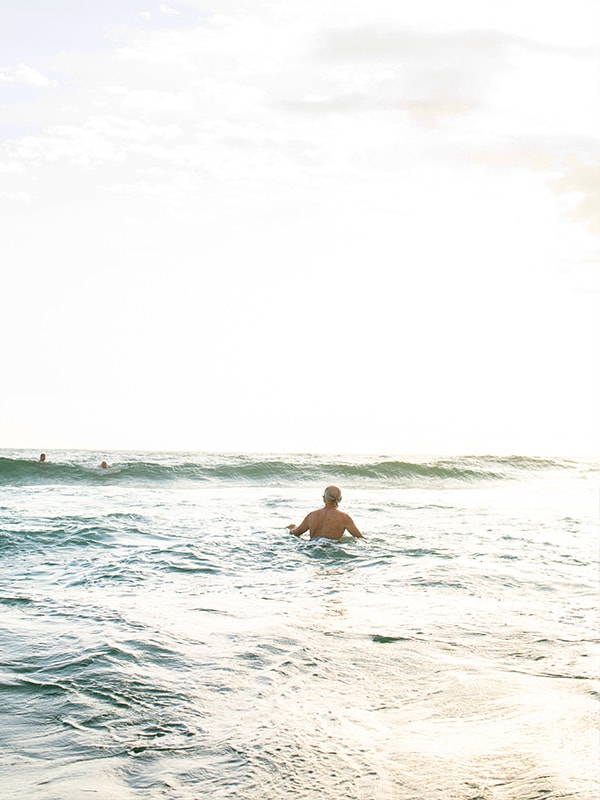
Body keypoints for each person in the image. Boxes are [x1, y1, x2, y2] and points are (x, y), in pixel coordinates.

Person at [287, 486, 364, 540]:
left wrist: (292, 528)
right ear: (340, 499)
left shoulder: (312, 515)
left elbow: (296, 533)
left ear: (324, 498)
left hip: (314, 546)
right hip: (332, 548)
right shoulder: (345, 518)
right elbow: (360, 538)